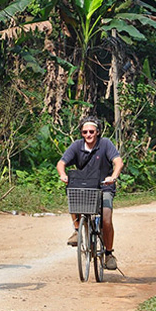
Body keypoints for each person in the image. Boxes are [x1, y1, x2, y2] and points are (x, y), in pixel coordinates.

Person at [56, 116, 123, 270]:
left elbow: (118, 161)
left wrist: (113, 177)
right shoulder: (76, 146)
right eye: (85, 132)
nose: (88, 135)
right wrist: (63, 174)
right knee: (73, 195)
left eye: (91, 131)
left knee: (106, 218)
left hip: (104, 186)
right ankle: (77, 229)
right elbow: (61, 163)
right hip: (85, 185)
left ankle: (108, 253)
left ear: (97, 132)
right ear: (81, 133)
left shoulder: (105, 144)